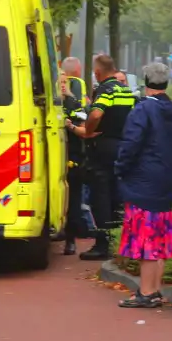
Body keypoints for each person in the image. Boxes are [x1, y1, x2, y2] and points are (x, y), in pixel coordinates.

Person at [115, 62, 172, 308]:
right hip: (167, 179)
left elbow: (130, 144)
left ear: (145, 81)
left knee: (145, 239)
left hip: (143, 180)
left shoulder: (142, 110)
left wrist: (120, 168)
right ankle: (155, 289)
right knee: (160, 236)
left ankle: (145, 292)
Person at [68, 54, 134, 260]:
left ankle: (102, 245)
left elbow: (95, 115)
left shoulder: (105, 89)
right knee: (117, 197)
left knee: (101, 197)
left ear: (97, 73)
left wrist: (86, 131)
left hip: (102, 148)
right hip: (122, 147)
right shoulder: (126, 89)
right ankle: (118, 242)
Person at [60, 72, 90, 255]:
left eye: (65, 82)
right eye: (59, 82)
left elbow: (85, 130)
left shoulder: (75, 104)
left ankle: (70, 240)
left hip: (73, 158)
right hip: (54, 159)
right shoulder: (49, 105)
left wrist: (69, 126)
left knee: (73, 200)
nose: (63, 85)